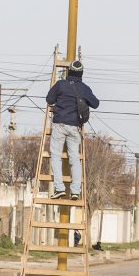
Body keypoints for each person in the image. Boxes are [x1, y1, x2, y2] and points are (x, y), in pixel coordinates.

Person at [46, 60, 99, 200]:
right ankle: (75, 191)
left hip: (59, 125)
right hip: (75, 127)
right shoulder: (85, 89)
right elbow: (96, 104)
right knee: (74, 159)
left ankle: (59, 189)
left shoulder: (60, 85)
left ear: (69, 71)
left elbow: (49, 99)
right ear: (81, 73)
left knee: (56, 156)